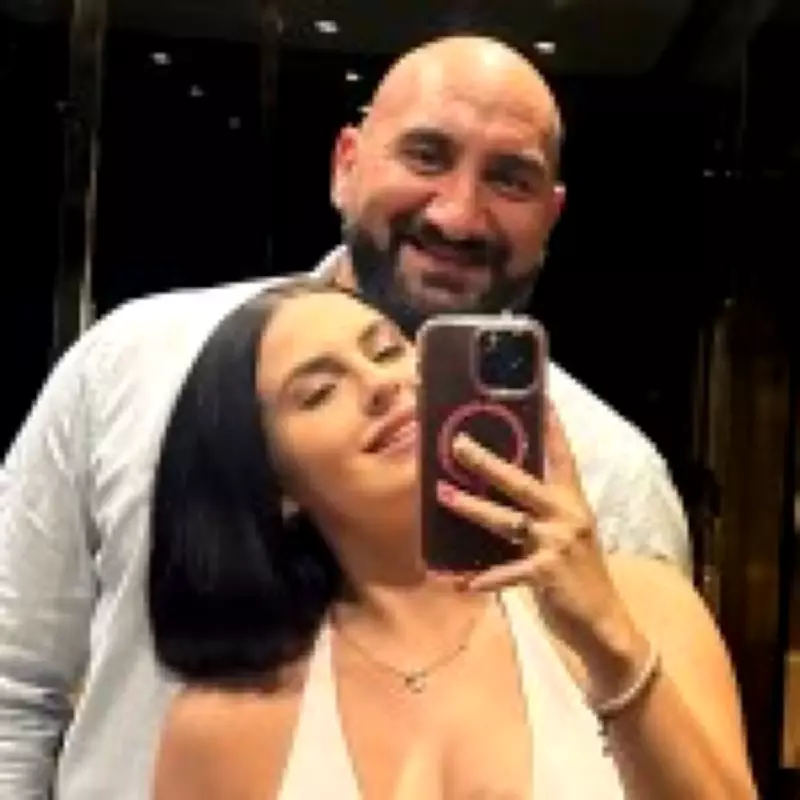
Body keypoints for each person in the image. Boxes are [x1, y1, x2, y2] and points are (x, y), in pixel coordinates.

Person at [0, 35, 690, 799]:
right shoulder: (135, 364)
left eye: (510, 179)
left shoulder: (609, 472)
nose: (459, 214)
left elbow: (660, 750)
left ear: (552, 215)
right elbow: (11, 682)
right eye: (426, 155)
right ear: (346, 163)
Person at [148, 281, 755, 799]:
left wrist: (610, 646)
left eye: (388, 351)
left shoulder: (643, 604)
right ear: (276, 483)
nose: (380, 384)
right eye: (320, 391)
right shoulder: (223, 723)